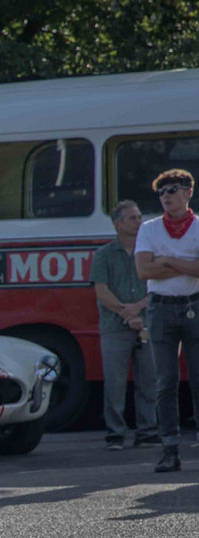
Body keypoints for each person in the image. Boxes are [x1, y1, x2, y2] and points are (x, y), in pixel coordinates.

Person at [134, 169, 199, 472]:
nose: (165, 196)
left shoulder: (198, 227)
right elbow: (144, 271)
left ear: (188, 193)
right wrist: (187, 264)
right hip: (160, 309)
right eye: (161, 192)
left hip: (193, 307)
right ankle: (170, 449)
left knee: (198, 379)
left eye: (172, 190)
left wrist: (167, 260)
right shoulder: (148, 229)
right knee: (166, 381)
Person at [93, 200, 157, 450]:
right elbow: (102, 291)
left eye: (140, 216)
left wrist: (138, 309)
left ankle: (148, 432)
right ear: (118, 224)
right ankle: (115, 434)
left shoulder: (151, 252)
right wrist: (127, 314)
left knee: (149, 381)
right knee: (114, 383)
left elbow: (156, 286)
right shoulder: (103, 255)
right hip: (114, 326)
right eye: (133, 218)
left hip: (148, 324)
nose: (140, 221)